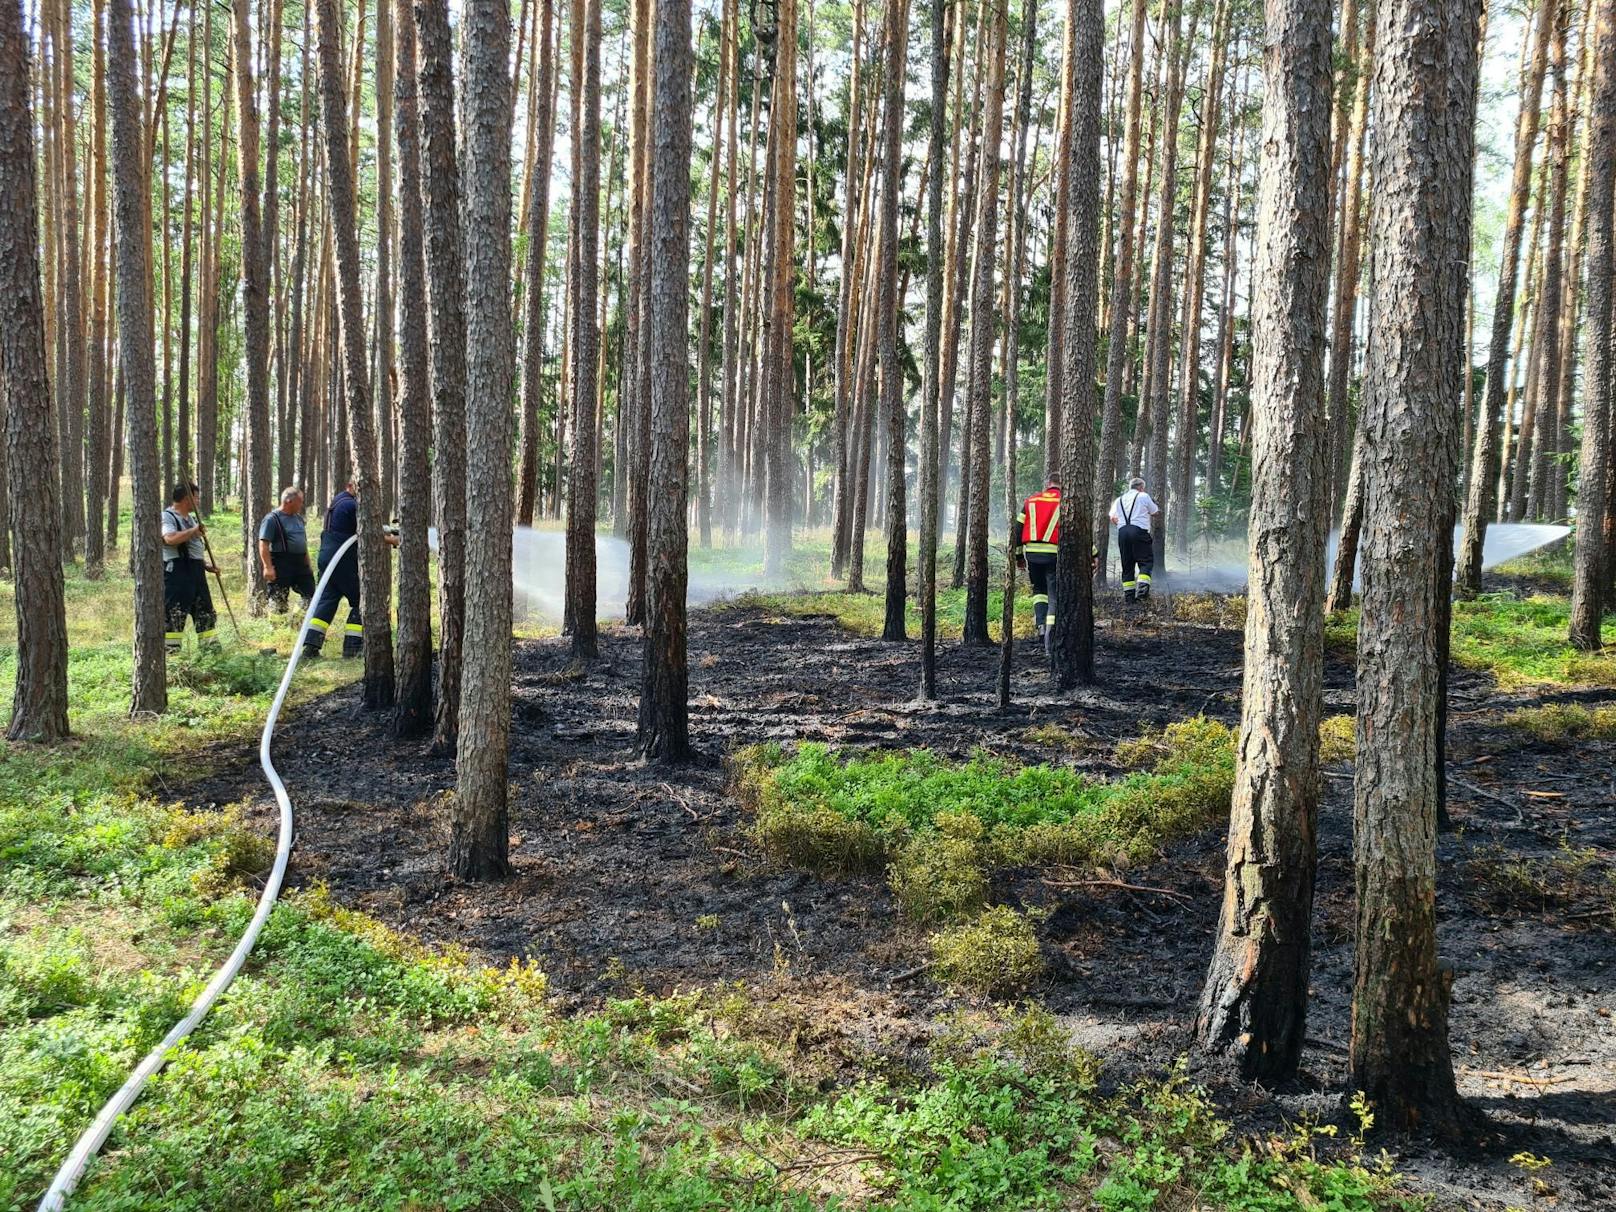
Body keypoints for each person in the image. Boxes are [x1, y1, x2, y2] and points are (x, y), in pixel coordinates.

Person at [303, 479, 398, 659]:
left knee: (327, 601)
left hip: (327, 558)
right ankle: (352, 649)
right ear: (350, 486)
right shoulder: (351, 505)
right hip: (342, 560)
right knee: (360, 599)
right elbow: (367, 532)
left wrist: (389, 531)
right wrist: (392, 540)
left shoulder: (339, 501)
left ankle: (310, 647)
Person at [161, 481, 219, 654]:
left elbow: (192, 548)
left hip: (196, 572)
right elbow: (170, 539)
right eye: (196, 497)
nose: (198, 501)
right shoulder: (167, 517)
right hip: (177, 574)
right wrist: (193, 531)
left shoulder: (190, 518)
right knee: (175, 615)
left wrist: (206, 565)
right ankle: (171, 656)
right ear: (187, 499)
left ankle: (210, 653)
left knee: (205, 612)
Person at [1015, 476, 1063, 639]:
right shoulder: (1064, 501)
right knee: (1053, 592)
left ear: (1048, 484)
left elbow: (1018, 529)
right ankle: (1051, 630)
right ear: (1062, 484)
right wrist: (1093, 553)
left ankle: (1041, 625)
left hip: (1033, 554)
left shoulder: (1031, 500)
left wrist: (1018, 556)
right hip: (1054, 554)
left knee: (1039, 590)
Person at [257, 487, 316, 614]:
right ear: (289, 501)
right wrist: (268, 567)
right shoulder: (272, 519)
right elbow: (264, 544)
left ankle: (297, 620)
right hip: (281, 563)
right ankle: (278, 628)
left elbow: (303, 543)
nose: (302, 504)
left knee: (311, 594)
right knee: (278, 597)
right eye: (300, 501)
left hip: (300, 563)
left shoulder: (299, 519)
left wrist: (308, 565)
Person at [1108, 476, 1160, 602]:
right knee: (1146, 562)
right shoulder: (1143, 496)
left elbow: (1112, 518)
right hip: (1139, 532)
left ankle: (1129, 598)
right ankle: (1142, 594)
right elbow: (1155, 512)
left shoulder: (1119, 500)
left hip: (1123, 533)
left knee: (1127, 565)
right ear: (1141, 488)